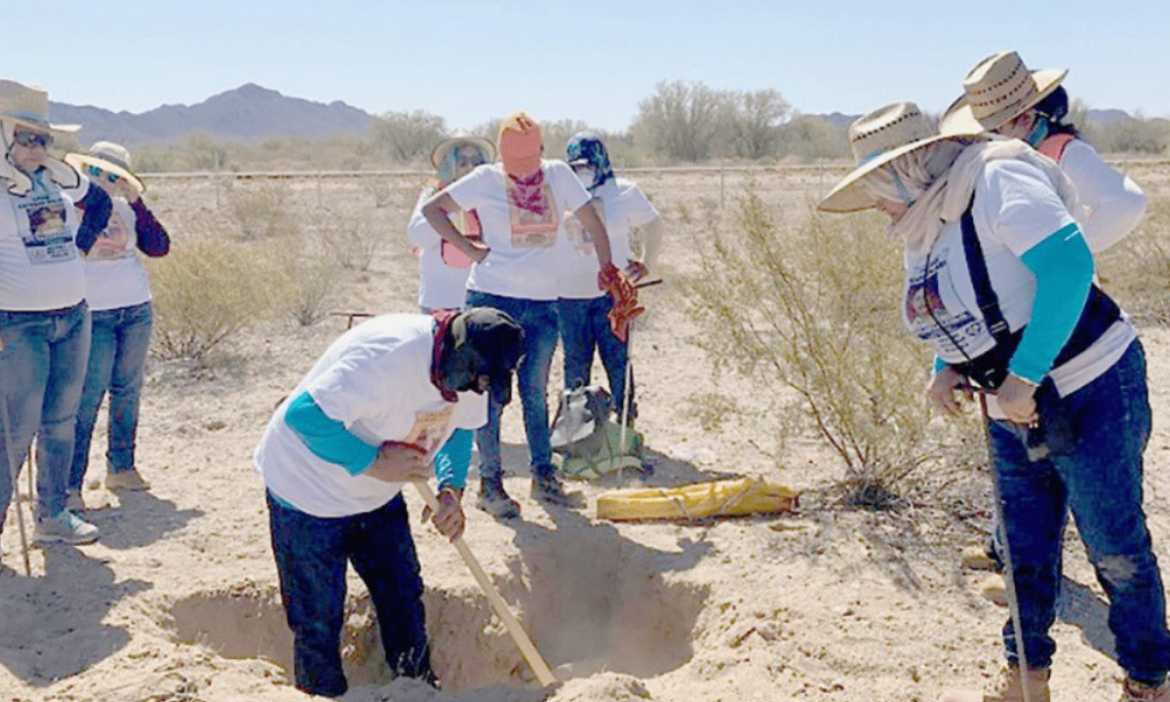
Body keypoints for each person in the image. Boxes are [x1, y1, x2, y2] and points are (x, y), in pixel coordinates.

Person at [817, 99, 1170, 702]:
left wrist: (1025, 376)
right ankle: (1025, 681)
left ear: (912, 166)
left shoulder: (996, 178)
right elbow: (956, 302)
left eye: (876, 182)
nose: (872, 201)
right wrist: (946, 366)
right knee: (1025, 548)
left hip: (1091, 386)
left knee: (1112, 545)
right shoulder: (923, 218)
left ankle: (1148, 680)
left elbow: (1068, 268)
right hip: (1011, 401)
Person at [941, 51, 1150, 604]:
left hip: (1067, 327)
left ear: (1023, 112)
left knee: (1060, 451)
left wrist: (1059, 253)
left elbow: (1128, 205)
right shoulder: (1005, 160)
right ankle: (1003, 547)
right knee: (1020, 455)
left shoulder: (1061, 151)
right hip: (1029, 319)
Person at [253, 307, 524, 697]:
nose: (475, 392)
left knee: (402, 596)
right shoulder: (385, 359)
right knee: (318, 616)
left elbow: (460, 429)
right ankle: (322, 692)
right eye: (475, 381)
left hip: (378, 497)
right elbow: (303, 415)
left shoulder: (472, 374)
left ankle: (416, 687)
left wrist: (451, 490)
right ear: (459, 359)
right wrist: (374, 461)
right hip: (306, 493)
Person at [420, 112, 640, 519]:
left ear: (541, 150)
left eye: (529, 162)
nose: (523, 174)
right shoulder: (485, 179)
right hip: (489, 301)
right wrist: (469, 250)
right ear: (502, 154)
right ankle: (491, 484)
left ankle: (544, 475)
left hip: (541, 304)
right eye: (515, 164)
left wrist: (608, 270)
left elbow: (592, 220)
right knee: (487, 396)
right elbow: (434, 211)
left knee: (534, 392)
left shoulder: (557, 175)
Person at [0, 79, 111, 548]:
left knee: (61, 420)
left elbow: (101, 203)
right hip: (18, 323)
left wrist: (80, 250)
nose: (37, 147)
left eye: (43, 139)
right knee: (14, 430)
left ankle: (52, 514)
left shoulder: (58, 178)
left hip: (73, 316)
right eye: (26, 137)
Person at [63, 142, 170, 509]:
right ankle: (70, 484)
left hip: (135, 308)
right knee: (87, 396)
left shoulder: (128, 210)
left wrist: (136, 203)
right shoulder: (70, 206)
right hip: (93, 312)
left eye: (113, 176)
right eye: (96, 172)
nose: (103, 180)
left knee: (127, 390)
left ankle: (121, 468)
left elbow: (158, 247)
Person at [557, 132, 664, 424]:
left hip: (612, 295)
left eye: (588, 165)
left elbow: (653, 224)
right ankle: (576, 427)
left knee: (617, 359)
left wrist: (647, 263)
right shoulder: (558, 194)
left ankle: (625, 420)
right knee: (575, 363)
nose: (583, 172)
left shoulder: (624, 192)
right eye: (577, 167)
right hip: (568, 296)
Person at [407, 134, 496, 312]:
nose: (470, 167)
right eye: (462, 162)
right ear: (449, 165)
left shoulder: (490, 196)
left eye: (476, 162)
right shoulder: (432, 194)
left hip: (481, 298)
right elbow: (417, 235)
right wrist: (452, 205)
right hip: (440, 299)